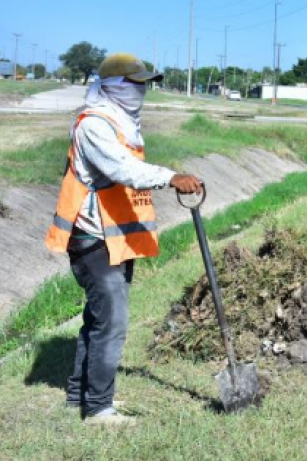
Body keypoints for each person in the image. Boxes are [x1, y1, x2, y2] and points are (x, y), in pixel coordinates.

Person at [44, 53, 203, 425]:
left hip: (112, 236)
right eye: (136, 84)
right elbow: (122, 168)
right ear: (116, 86)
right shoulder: (94, 124)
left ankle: (78, 395)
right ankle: (98, 407)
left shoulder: (123, 121)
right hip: (91, 239)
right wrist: (170, 176)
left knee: (97, 319)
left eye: (145, 84)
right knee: (111, 323)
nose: (142, 91)